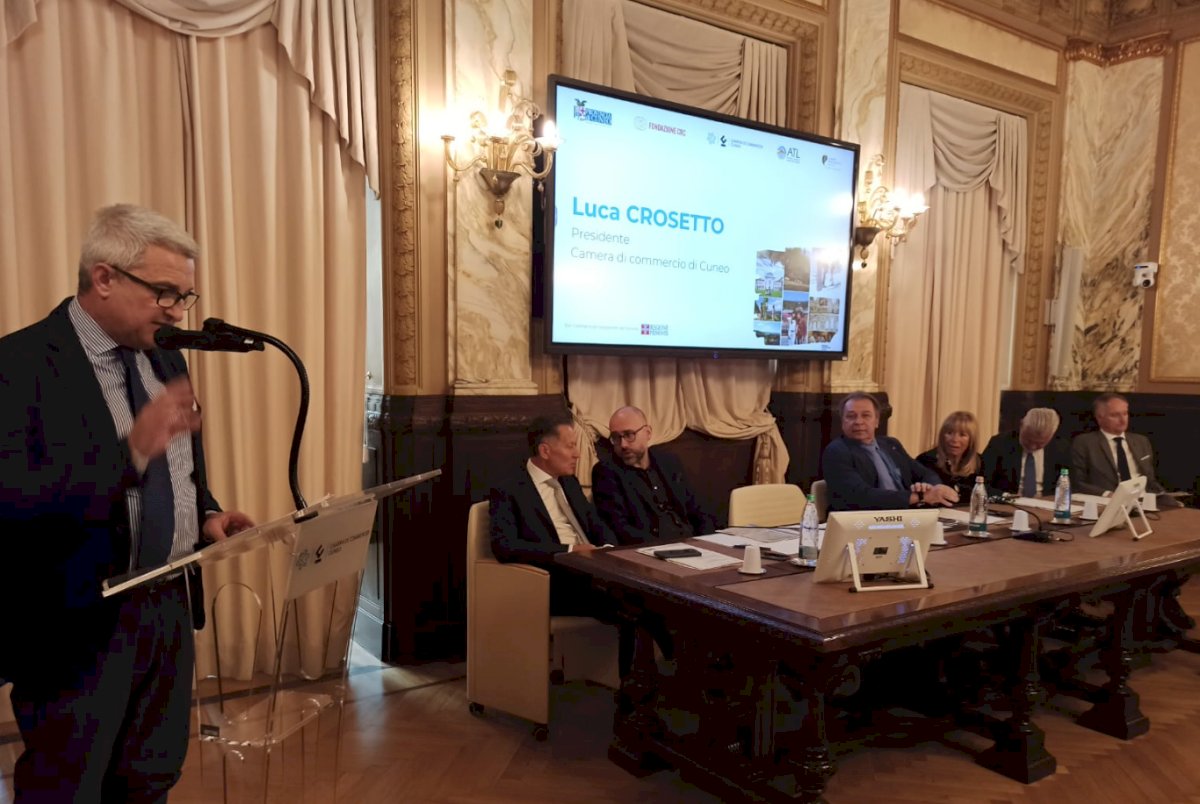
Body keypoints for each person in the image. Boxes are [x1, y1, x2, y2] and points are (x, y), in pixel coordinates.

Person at [0, 203, 255, 801]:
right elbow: (12, 500)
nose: (176, 311)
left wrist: (208, 515)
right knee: (68, 785)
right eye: (164, 292)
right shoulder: (19, 364)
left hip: (167, 606)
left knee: (150, 778)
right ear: (104, 277)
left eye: (185, 296)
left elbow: (177, 469)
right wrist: (130, 451)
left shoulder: (164, 355)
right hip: (76, 622)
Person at [489, 412, 616, 615]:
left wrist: (610, 550)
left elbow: (595, 523)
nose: (577, 454)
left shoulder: (569, 482)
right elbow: (505, 546)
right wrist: (569, 551)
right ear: (545, 451)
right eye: (570, 446)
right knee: (641, 606)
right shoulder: (509, 489)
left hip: (597, 570)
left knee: (650, 597)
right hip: (556, 580)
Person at [592, 406, 717, 545]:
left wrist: (710, 542)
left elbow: (697, 510)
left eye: (629, 435)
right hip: (651, 549)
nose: (623, 444)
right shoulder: (606, 472)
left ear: (648, 433)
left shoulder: (669, 462)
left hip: (692, 543)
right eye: (616, 437)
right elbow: (620, 528)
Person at [822, 392, 959, 512]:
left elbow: (925, 473)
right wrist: (920, 497)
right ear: (843, 422)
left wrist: (931, 488)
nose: (858, 421)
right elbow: (861, 496)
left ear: (876, 421)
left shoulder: (891, 445)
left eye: (866, 415)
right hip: (864, 521)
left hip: (907, 516)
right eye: (851, 416)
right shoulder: (837, 451)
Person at [1070, 393, 1179, 505]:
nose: (1123, 420)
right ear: (1099, 417)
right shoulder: (1085, 442)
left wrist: (1164, 495)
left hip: (1142, 499)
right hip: (1110, 501)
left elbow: (1150, 480)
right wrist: (1107, 494)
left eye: (1125, 413)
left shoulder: (1141, 441)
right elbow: (1078, 482)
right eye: (1115, 415)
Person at [980, 407, 1070, 497]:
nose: (1032, 446)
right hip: (1009, 500)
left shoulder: (1060, 449)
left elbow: (1070, 486)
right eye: (1028, 440)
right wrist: (1005, 496)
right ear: (1021, 425)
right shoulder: (1000, 444)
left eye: (1040, 443)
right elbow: (982, 483)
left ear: (1051, 436)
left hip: (1046, 502)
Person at [917, 411, 983, 500]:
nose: (954, 439)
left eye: (962, 435)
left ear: (972, 440)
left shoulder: (980, 462)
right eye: (949, 433)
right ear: (942, 436)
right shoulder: (926, 460)